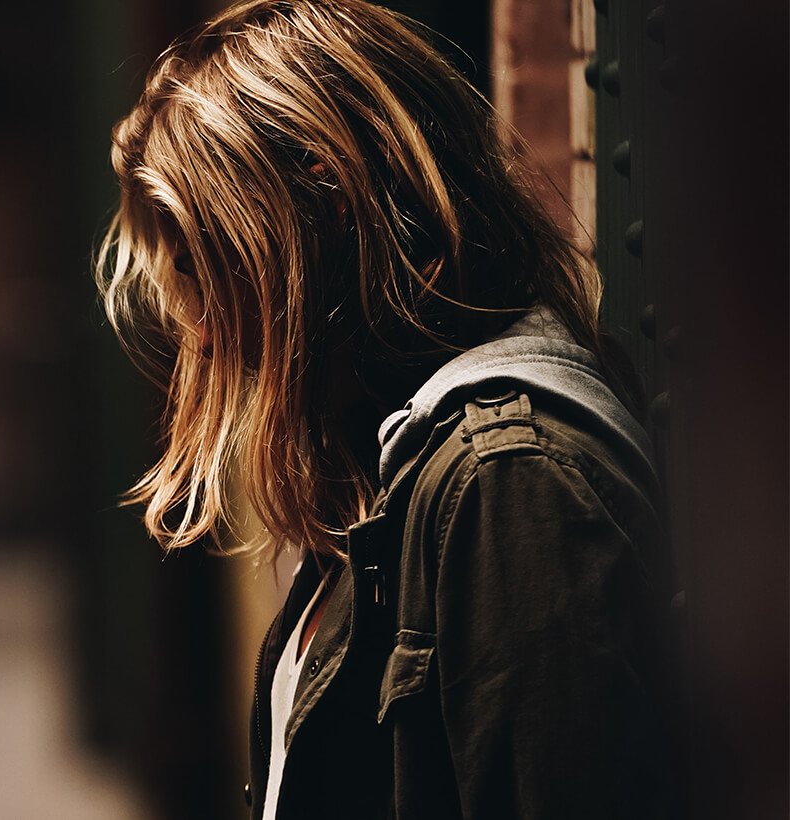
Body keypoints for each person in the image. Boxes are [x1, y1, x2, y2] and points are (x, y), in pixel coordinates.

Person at [94, 1, 683, 818]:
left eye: (209, 266)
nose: (197, 336)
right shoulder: (389, 468)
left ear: (325, 203)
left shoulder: (509, 482)